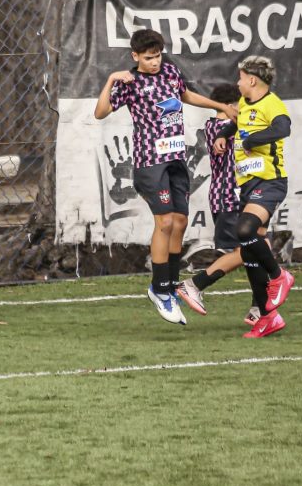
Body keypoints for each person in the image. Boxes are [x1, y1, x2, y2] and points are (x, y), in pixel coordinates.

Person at [94, 29, 237, 325]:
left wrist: (220, 106)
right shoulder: (130, 83)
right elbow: (100, 112)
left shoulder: (170, 72)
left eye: (157, 55)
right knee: (166, 222)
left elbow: (185, 95)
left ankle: (170, 285)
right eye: (148, 58)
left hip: (176, 160)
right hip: (151, 164)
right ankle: (159, 290)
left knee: (180, 222)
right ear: (135, 56)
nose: (155, 61)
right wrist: (110, 80)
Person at [219, 55, 295, 338]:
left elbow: (283, 128)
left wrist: (253, 140)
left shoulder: (272, 103)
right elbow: (239, 123)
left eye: (240, 78)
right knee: (250, 247)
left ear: (252, 80)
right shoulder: (245, 103)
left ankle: (279, 276)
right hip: (249, 184)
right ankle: (267, 317)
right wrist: (225, 134)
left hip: (270, 181)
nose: (237, 83)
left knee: (245, 230)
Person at [176, 83, 260, 325]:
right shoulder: (218, 127)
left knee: (255, 254)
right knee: (250, 252)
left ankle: (259, 308)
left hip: (242, 198)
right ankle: (195, 284)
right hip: (228, 199)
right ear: (232, 106)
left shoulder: (229, 126)